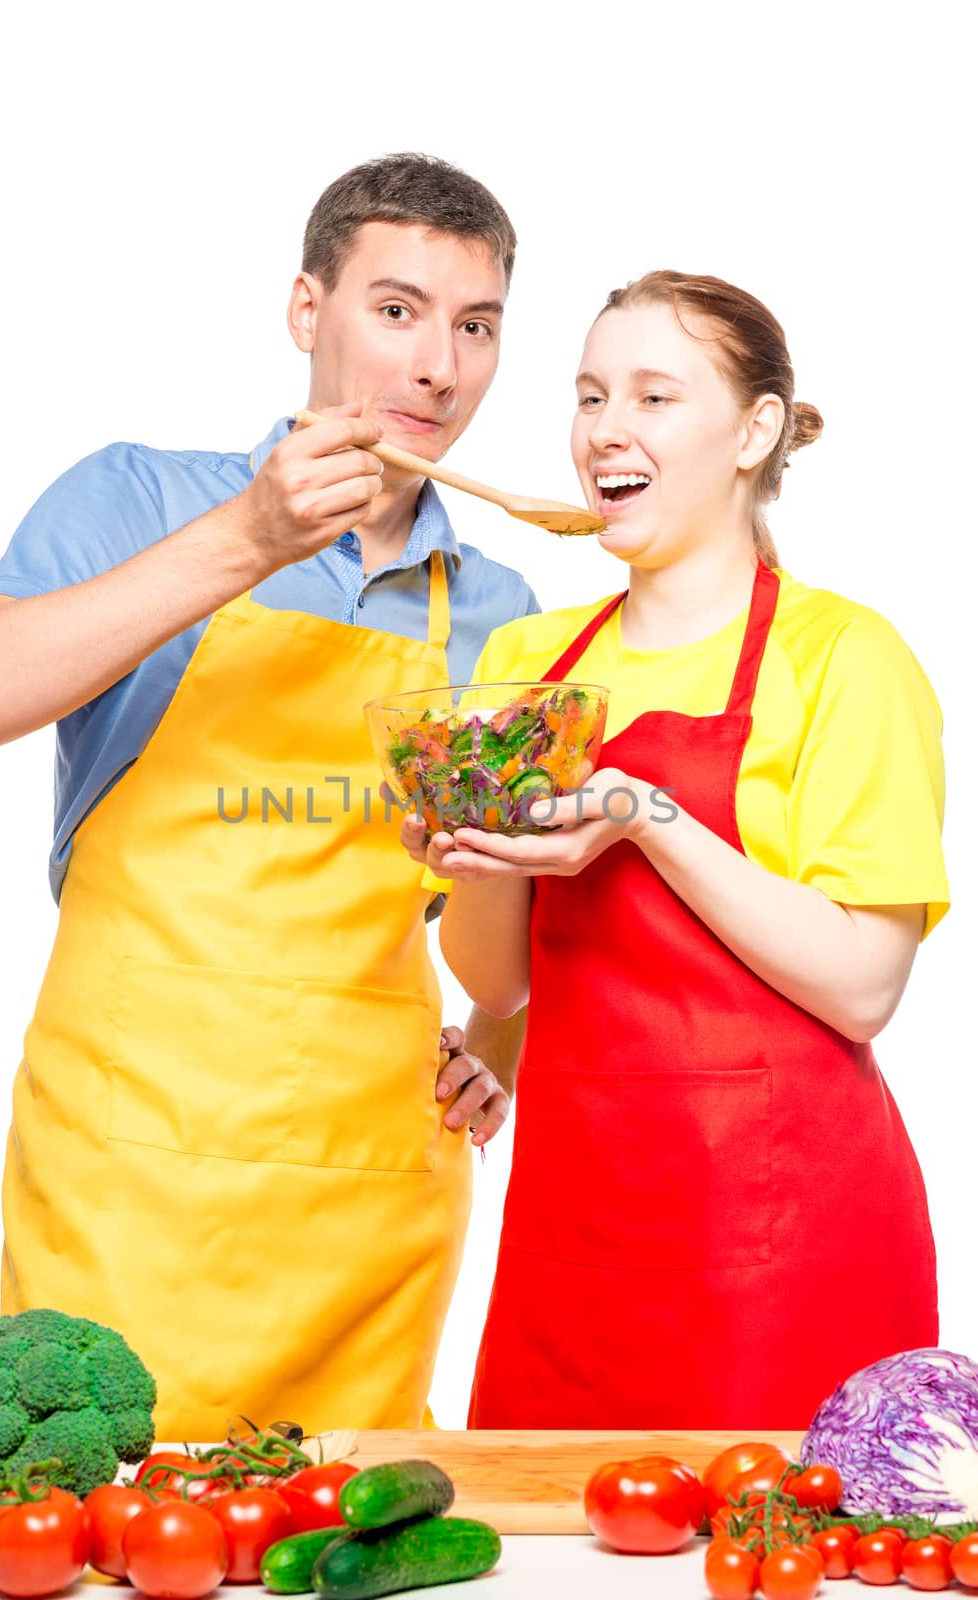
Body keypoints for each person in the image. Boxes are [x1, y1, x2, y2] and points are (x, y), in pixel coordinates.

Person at [0, 153, 539, 1438]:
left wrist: (498, 1040)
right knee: (97, 1531)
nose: (438, 366)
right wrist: (250, 538)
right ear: (307, 310)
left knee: (346, 1549)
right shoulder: (136, 496)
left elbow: (513, 903)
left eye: (475, 326)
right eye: (397, 309)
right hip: (128, 1162)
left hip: (369, 1190)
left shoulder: (503, 614)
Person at [401, 271, 949, 1428]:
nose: (607, 429)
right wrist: (472, 848)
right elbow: (503, 983)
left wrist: (648, 818)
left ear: (753, 431)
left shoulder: (846, 657)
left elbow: (863, 985)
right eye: (592, 394)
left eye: (655, 396)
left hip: (787, 1241)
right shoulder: (538, 660)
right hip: (574, 1236)